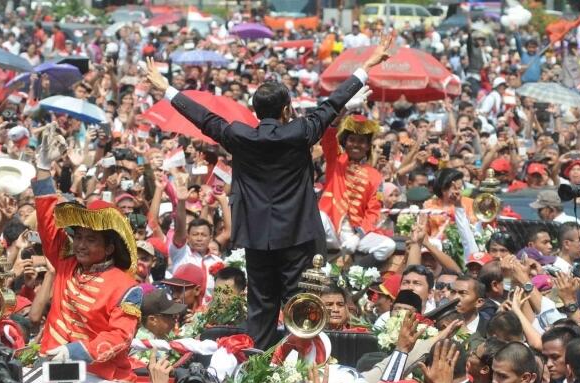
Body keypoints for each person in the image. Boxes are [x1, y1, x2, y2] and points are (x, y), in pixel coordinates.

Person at [145, 37, 395, 349]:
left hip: (257, 235)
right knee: (298, 304)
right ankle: (298, 368)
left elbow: (204, 118)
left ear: (255, 110)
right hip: (296, 234)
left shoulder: (239, 134)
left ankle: (254, 364)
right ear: (287, 108)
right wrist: (366, 66)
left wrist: (166, 88)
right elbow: (332, 104)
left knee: (261, 308)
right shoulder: (301, 130)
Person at [22, 126, 142, 383]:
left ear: (110, 248)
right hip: (54, 369)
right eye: (79, 237)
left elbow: (120, 337)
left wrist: (77, 351)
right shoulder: (66, 259)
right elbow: (48, 217)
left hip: (103, 378)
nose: (81, 245)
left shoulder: (127, 287)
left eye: (91, 239)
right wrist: (42, 168)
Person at [319, 114, 396, 262]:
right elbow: (328, 139)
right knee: (319, 217)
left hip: (355, 232)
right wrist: (341, 114)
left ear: (367, 146)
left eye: (361, 141)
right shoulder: (336, 160)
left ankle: (357, 273)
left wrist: (358, 236)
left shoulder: (376, 176)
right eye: (352, 140)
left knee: (388, 245)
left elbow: (373, 212)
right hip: (332, 227)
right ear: (345, 142)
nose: (356, 144)